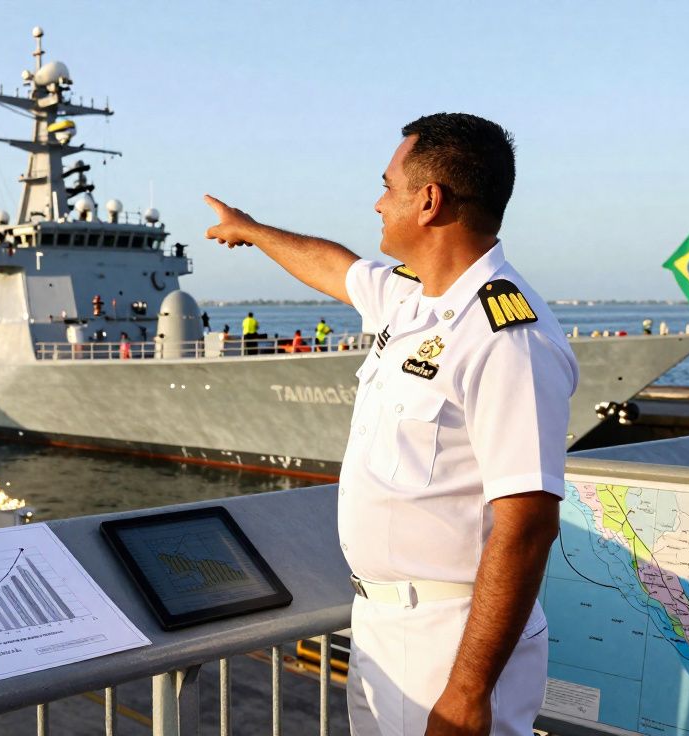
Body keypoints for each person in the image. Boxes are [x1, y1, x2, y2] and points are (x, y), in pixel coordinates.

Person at [204, 112, 577, 736]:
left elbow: (528, 525)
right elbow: (334, 266)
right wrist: (253, 232)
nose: (378, 202)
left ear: (429, 201)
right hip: (381, 628)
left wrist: (467, 690)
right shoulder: (413, 299)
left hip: (450, 642)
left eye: (388, 184)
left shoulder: (505, 336)